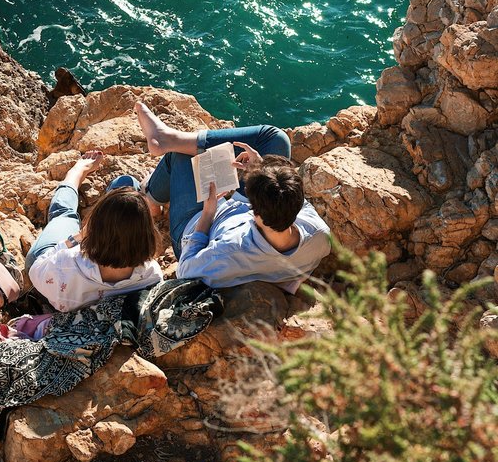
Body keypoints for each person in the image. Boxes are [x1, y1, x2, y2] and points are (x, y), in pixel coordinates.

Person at [135, 102, 330, 292]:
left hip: (197, 224)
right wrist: (259, 169)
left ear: (254, 211)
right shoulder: (318, 234)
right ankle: (168, 140)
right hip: (240, 215)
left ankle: (151, 199)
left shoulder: (229, 251)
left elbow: (185, 269)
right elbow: (286, 197)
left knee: (181, 156)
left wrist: (208, 213)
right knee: (276, 139)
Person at [22, 151, 162, 334]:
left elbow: (37, 269)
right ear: (147, 236)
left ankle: (77, 172)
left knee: (64, 213)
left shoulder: (66, 264)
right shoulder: (151, 274)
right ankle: (134, 203)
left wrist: (77, 237)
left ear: (94, 230)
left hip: (48, 268)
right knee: (126, 188)